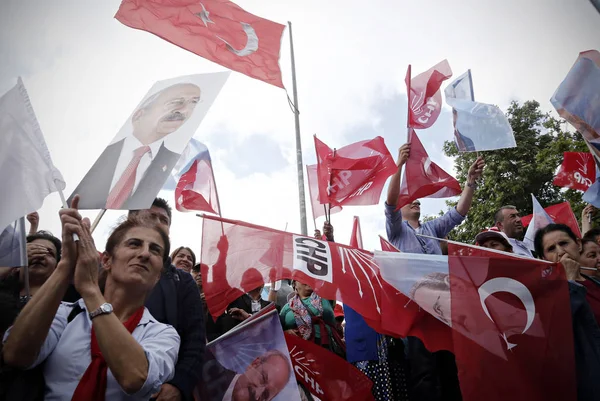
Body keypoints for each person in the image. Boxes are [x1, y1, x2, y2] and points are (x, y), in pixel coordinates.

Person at [2, 195, 180, 400]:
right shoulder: (65, 313)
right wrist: (65, 266)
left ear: (158, 276)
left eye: (155, 250)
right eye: (134, 244)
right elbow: (16, 355)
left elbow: (135, 378)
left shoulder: (164, 334)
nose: (145, 254)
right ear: (106, 260)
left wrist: (91, 290)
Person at [381, 143, 484, 400]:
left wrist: (470, 182)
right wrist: (399, 166)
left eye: (417, 199)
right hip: (416, 310)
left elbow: (458, 213)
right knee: (424, 372)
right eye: (409, 199)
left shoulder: (432, 229)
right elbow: (390, 203)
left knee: (450, 368)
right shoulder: (397, 232)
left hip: (445, 308)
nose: (415, 201)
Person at [70, 83, 201, 210]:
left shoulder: (173, 163)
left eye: (193, 103)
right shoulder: (96, 152)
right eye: (176, 102)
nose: (184, 110)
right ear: (139, 115)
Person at [131, 198, 206, 401]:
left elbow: (195, 340)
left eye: (163, 219)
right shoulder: (102, 272)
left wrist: (179, 385)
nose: (156, 222)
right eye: (149, 215)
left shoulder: (182, 282)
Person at [533, 224, 600, 401]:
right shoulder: (546, 297)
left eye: (564, 243)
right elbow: (557, 335)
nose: (561, 251)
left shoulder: (595, 282)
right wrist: (569, 282)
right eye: (551, 249)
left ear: (578, 244)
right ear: (543, 258)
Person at [198, 349, 291, 401]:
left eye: (265, 395)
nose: (257, 394)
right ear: (254, 364)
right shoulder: (203, 365)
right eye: (263, 378)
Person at [280, 280, 341, 356]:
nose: (307, 279)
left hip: (326, 349)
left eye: (309, 277)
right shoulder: (287, 308)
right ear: (294, 283)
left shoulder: (325, 297)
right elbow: (277, 332)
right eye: (302, 277)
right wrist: (286, 332)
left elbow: (332, 277)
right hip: (300, 354)